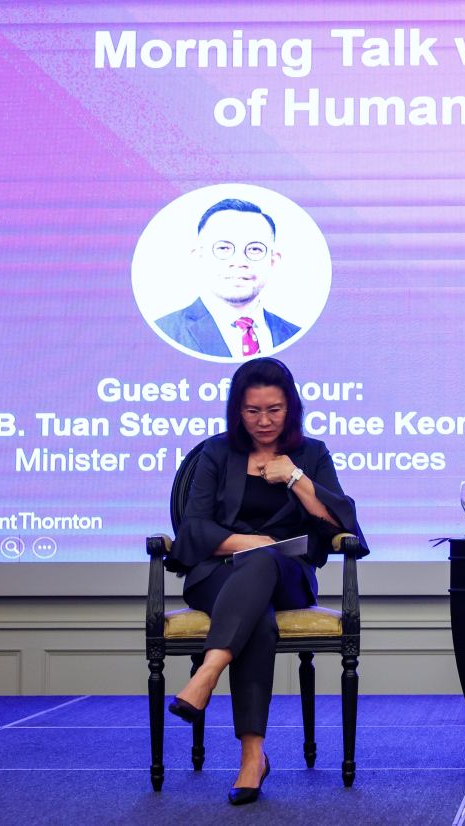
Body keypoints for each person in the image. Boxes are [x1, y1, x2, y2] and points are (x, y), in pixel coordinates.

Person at [164, 357, 368, 805]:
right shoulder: (217, 453)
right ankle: (252, 758)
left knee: (262, 566)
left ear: (290, 408)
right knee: (256, 615)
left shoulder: (311, 454)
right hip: (217, 575)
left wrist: (295, 477)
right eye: (252, 410)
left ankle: (207, 673)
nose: (263, 420)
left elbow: (342, 522)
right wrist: (251, 543)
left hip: (288, 577)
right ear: (237, 410)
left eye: (274, 410)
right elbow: (194, 527)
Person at [157, 198, 301, 358]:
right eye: (223, 248)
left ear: (273, 261)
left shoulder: (296, 336)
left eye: (255, 249)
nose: (239, 262)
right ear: (198, 256)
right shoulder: (163, 333)